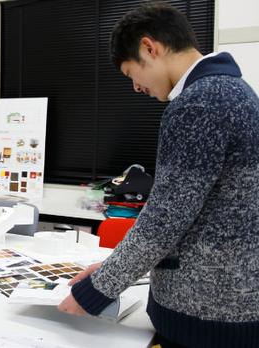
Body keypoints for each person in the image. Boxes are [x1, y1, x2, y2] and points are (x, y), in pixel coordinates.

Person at [58, 3, 259, 348]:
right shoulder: (233, 91)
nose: (136, 87)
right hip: (233, 302)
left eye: (130, 73)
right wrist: (108, 268)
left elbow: (164, 221)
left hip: (207, 316)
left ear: (150, 48)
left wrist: (94, 291)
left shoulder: (199, 103)